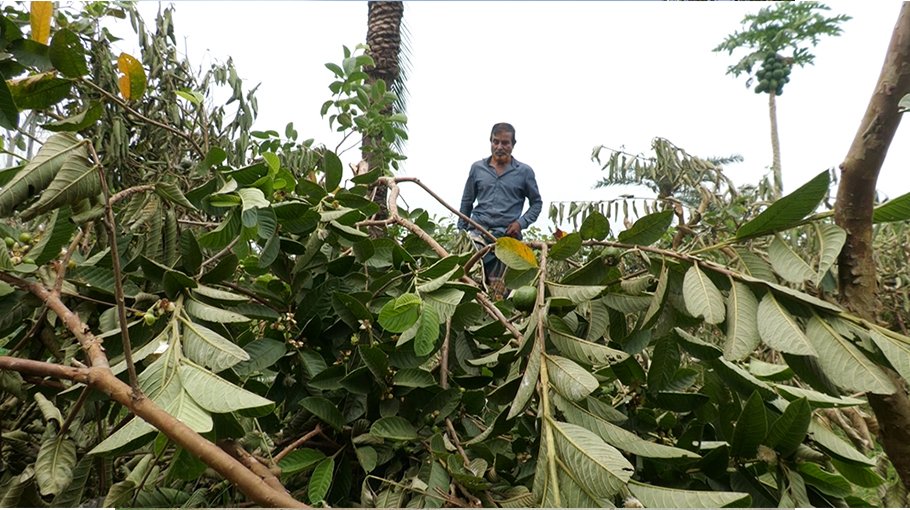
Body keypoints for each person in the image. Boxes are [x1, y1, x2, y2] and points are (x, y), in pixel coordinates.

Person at [458, 122, 543, 293]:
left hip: (506, 239)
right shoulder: (477, 168)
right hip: (477, 235)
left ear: (513, 145)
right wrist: (461, 231)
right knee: (471, 285)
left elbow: (537, 204)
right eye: (495, 142)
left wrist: (520, 223)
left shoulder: (524, 172)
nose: (499, 147)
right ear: (490, 141)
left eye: (505, 143)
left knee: (499, 294)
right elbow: (467, 202)